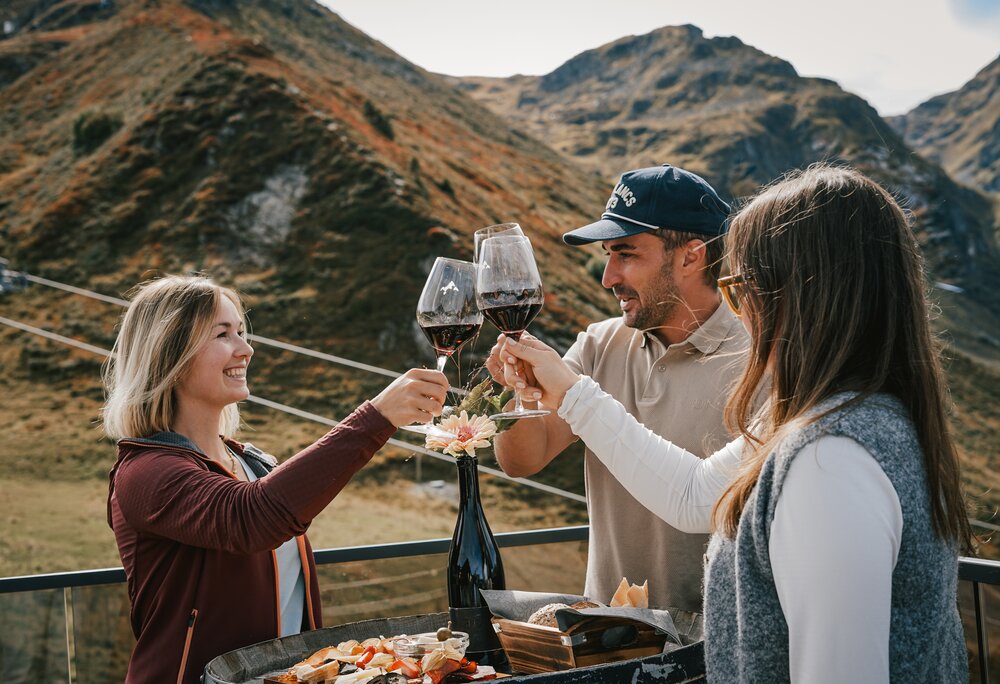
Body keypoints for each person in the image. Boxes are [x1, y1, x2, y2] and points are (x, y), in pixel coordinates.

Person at [497, 164, 972, 682]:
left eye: (746, 286)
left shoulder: (829, 458)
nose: (740, 309)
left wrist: (571, 392)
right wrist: (561, 391)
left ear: (804, 291)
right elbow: (696, 496)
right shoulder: (849, 418)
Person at [102, 275, 448, 684]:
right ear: (169, 353)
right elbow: (252, 518)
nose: (245, 349)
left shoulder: (251, 462)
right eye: (222, 334)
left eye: (242, 333)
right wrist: (375, 418)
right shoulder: (147, 473)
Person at [488, 164, 748, 612]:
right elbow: (521, 460)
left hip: (714, 645)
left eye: (626, 254)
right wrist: (520, 393)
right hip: (608, 638)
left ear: (692, 256)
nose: (608, 277)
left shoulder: (760, 357)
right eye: (608, 255)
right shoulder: (598, 344)